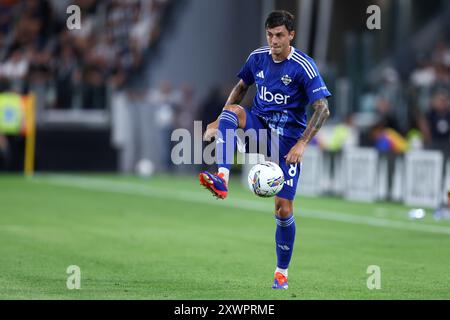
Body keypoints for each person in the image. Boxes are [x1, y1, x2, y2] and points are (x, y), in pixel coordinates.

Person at [198, 10, 331, 289]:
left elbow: (322, 109)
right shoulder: (257, 58)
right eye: (270, 35)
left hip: (286, 143)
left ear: (291, 35)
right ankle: (222, 177)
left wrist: (302, 143)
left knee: (283, 210)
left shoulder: (303, 67)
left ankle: (281, 273)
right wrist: (220, 119)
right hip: (260, 129)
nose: (274, 41)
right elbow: (240, 88)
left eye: (280, 35)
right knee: (233, 111)